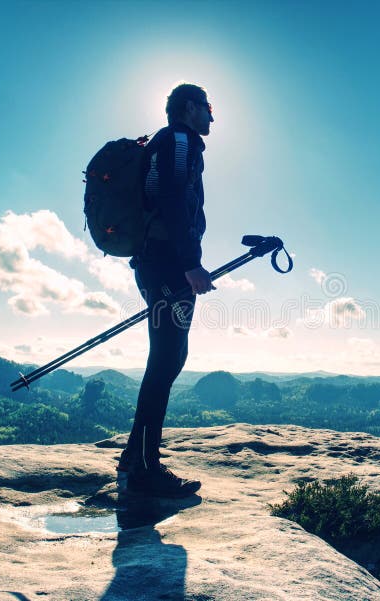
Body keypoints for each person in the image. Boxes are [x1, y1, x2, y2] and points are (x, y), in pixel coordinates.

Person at [117, 83, 216, 498]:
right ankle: (143, 468)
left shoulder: (176, 142)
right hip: (167, 266)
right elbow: (173, 197)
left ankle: (136, 459)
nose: (212, 116)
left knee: (171, 356)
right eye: (209, 107)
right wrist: (190, 262)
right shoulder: (179, 140)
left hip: (161, 262)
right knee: (166, 358)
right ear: (190, 108)